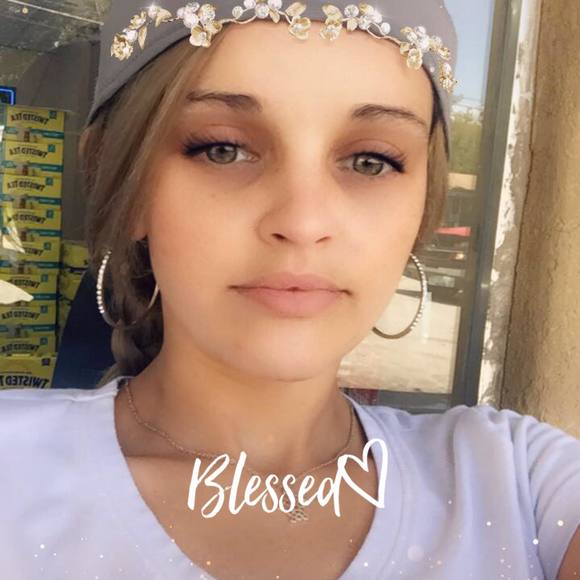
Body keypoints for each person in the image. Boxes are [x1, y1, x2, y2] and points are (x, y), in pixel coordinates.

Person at [0, 1, 579, 579]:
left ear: (424, 206)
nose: (303, 223)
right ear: (117, 178)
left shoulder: (516, 483)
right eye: (223, 149)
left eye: (370, 161)